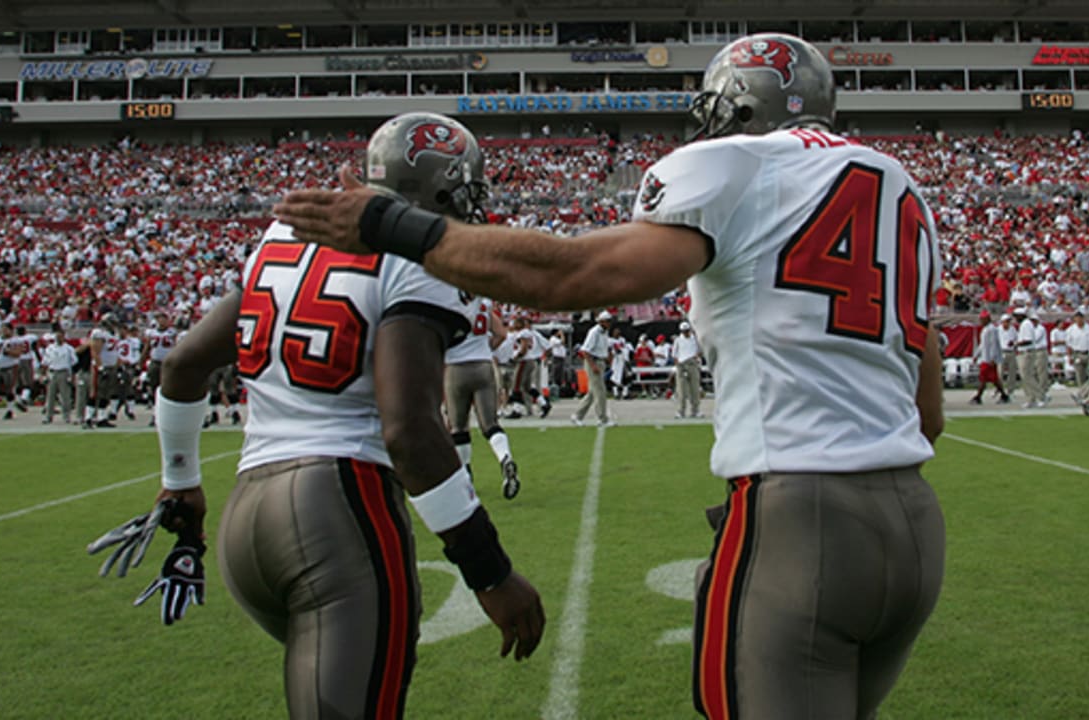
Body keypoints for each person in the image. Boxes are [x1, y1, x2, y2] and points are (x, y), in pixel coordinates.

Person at [275, 33, 944, 719]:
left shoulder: (735, 163)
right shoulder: (904, 189)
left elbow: (574, 275)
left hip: (801, 518)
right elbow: (929, 412)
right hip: (913, 527)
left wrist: (395, 224)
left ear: (742, 105)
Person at [112, 112, 545, 718]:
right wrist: (489, 570)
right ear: (442, 188)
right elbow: (410, 431)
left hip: (247, 518)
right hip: (338, 512)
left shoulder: (284, 236)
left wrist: (181, 482)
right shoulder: (419, 257)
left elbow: (183, 364)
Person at [445, 294, 523, 499]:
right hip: (483, 365)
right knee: (490, 423)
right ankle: (505, 458)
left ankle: (465, 477)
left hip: (456, 367)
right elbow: (501, 334)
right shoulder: (484, 303)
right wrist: (483, 349)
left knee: (459, 426)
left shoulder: (446, 299)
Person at [572, 311, 613, 426]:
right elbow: (585, 351)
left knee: (592, 392)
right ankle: (602, 418)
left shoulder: (604, 332)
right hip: (593, 362)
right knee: (600, 391)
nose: (610, 323)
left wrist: (606, 358)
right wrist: (593, 365)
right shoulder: (594, 332)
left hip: (600, 362)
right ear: (602, 322)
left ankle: (577, 416)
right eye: (608, 321)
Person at [41, 325, 78, 424]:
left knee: (65, 396)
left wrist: (72, 375)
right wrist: (44, 374)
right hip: (52, 372)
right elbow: (45, 362)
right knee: (50, 396)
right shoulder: (50, 348)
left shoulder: (68, 348)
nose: (58, 338)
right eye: (57, 336)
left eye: (60, 336)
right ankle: (49, 416)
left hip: (63, 372)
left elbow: (74, 362)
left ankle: (66, 416)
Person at [970, 310, 1009, 405]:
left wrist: (992, 358)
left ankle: (978, 397)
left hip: (989, 359)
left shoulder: (992, 329)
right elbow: (982, 344)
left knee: (984, 378)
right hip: (985, 357)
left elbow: (993, 345)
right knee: (993, 379)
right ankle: (1004, 395)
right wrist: (976, 355)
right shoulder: (985, 329)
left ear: (987, 319)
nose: (981, 321)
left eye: (982, 319)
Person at [672, 321, 703, 418]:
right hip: (682, 365)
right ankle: (681, 411)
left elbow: (700, 351)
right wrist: (679, 365)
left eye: (686, 331)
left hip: (692, 364)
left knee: (695, 389)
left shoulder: (695, 339)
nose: (685, 333)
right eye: (683, 331)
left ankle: (695, 410)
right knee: (681, 390)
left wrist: (695, 358)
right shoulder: (678, 340)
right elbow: (674, 354)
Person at [1065, 310, 1089, 402]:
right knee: (1080, 376)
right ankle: (1083, 395)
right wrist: (1070, 356)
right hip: (1077, 353)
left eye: (1080, 318)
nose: (1079, 320)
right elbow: (1069, 344)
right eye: (1077, 318)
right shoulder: (1071, 330)